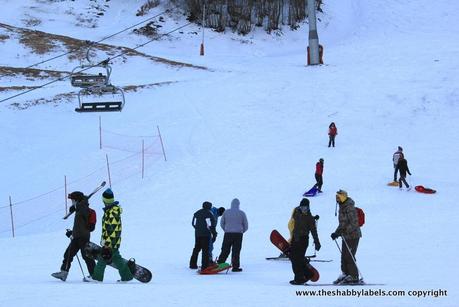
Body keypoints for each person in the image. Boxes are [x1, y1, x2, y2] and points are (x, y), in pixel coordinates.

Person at [51, 191, 96, 282]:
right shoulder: (79, 209)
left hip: (83, 237)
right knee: (68, 254)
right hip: (76, 236)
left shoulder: (83, 208)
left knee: (86, 256)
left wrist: (76, 206)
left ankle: (94, 275)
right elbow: (80, 225)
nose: (72, 202)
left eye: (72, 200)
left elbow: (83, 208)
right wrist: (72, 233)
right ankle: (64, 273)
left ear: (77, 200)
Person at [92, 188, 133, 282]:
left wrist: (107, 243)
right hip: (113, 241)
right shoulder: (111, 211)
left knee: (102, 258)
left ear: (105, 200)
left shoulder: (112, 212)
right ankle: (127, 276)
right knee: (116, 259)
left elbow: (112, 229)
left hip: (111, 241)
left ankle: (97, 278)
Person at [331, 190, 362, 284]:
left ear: (343, 197)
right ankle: (345, 274)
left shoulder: (349, 207)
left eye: (338, 197)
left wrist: (342, 232)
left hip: (353, 235)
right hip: (346, 236)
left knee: (349, 256)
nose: (337, 199)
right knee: (344, 255)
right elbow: (343, 224)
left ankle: (354, 276)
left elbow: (354, 224)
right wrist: (336, 233)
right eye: (336, 197)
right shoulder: (342, 207)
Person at [288, 198, 321, 285]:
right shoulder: (296, 212)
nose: (304, 210)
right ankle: (307, 274)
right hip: (295, 238)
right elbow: (293, 221)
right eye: (302, 207)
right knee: (295, 258)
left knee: (297, 259)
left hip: (303, 240)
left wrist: (317, 242)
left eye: (306, 208)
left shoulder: (310, 218)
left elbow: (314, 231)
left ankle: (299, 278)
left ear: (308, 208)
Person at [217, 198, 248, 272]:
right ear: (238, 205)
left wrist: (226, 229)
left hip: (228, 234)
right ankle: (235, 267)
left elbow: (221, 223)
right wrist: (241, 231)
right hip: (238, 235)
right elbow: (246, 225)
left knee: (225, 249)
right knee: (236, 251)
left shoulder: (226, 212)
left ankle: (220, 264)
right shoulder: (242, 213)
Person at [189, 201, 217, 270]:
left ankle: (192, 264)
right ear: (209, 207)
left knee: (196, 248)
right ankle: (205, 266)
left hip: (197, 234)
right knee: (205, 250)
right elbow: (211, 225)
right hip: (206, 234)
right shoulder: (209, 214)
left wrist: (197, 228)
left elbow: (193, 223)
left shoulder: (197, 213)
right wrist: (214, 234)